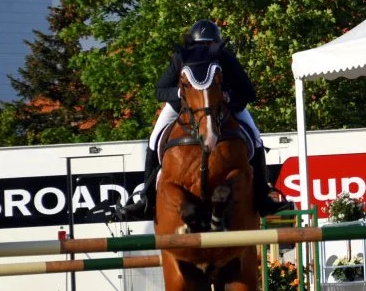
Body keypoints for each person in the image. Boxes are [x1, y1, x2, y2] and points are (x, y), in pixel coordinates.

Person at [116, 20, 286, 221]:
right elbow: (160, 90)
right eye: (201, 45)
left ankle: (262, 195)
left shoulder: (224, 58)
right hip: (183, 106)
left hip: (223, 108)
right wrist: (181, 93)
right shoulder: (181, 58)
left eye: (208, 45)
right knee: (154, 139)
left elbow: (248, 91)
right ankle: (147, 198)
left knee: (256, 138)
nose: (204, 50)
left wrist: (229, 97)